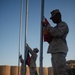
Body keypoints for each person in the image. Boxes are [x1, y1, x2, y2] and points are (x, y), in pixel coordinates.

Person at [42, 9, 69, 75]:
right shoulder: (55, 27)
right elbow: (52, 39)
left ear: (58, 16)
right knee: (56, 72)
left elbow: (57, 33)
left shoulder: (63, 24)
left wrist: (47, 26)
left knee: (61, 72)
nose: (52, 20)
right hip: (54, 51)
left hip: (59, 50)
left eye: (53, 17)